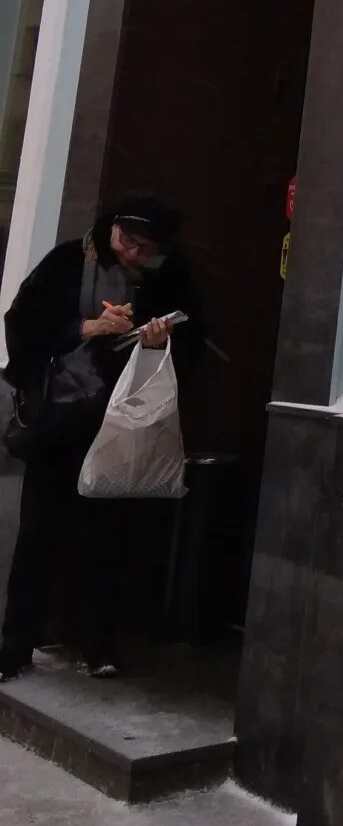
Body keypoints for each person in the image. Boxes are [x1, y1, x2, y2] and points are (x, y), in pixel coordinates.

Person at [0, 194, 202, 681]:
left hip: (119, 422)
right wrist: (87, 327)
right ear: (111, 229)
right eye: (127, 241)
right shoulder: (70, 261)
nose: (133, 253)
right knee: (39, 532)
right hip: (61, 418)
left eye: (145, 248)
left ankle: (96, 643)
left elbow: (195, 339)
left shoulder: (169, 275)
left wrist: (158, 342)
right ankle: (15, 645)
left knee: (107, 537)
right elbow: (23, 324)